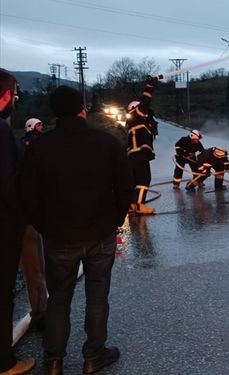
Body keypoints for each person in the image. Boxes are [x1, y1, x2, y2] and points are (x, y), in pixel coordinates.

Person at [19, 85, 134, 375]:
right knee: (97, 295)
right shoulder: (106, 143)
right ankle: (94, 355)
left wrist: (44, 225)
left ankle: (53, 360)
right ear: (82, 110)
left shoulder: (39, 148)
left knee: (59, 297)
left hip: (59, 236)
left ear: (55, 113)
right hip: (100, 233)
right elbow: (125, 188)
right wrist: (115, 219)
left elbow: (28, 194)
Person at [0, 69, 36, 375]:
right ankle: (4, 362)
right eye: (15, 95)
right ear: (5, 97)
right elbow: (9, 186)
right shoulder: (1, 132)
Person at [18, 118, 47, 332]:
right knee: (35, 266)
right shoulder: (35, 145)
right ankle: (40, 313)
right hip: (28, 215)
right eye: (38, 126)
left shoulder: (18, 144)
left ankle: (41, 310)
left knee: (34, 267)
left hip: (25, 214)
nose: (41, 128)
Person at [126, 76, 159, 215]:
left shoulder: (134, 121)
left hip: (134, 156)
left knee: (137, 180)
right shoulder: (136, 116)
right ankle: (140, 205)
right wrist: (150, 86)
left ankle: (133, 205)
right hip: (139, 155)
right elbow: (145, 103)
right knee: (144, 179)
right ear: (135, 109)